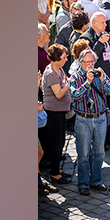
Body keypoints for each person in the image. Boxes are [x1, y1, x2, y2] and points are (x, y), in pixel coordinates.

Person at [69, 48, 110, 195]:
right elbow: (75, 95)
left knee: (99, 152)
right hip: (83, 119)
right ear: (80, 62)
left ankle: (96, 181)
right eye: (86, 62)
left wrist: (101, 80)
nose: (90, 65)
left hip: (100, 118)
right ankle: (83, 183)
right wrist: (87, 82)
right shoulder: (75, 77)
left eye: (92, 61)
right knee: (83, 153)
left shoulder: (100, 73)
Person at [80, 13, 110, 147]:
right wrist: (99, 43)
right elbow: (89, 59)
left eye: (106, 22)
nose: (106, 25)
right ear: (94, 23)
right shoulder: (86, 38)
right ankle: (100, 140)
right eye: (103, 22)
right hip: (97, 83)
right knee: (100, 111)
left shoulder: (106, 33)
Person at [41, 44, 73, 185]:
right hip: (53, 112)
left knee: (60, 141)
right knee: (55, 143)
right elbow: (59, 94)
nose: (66, 59)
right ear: (56, 59)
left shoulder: (58, 69)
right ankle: (54, 174)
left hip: (60, 111)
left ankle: (57, 170)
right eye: (64, 57)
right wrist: (69, 84)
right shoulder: (51, 73)